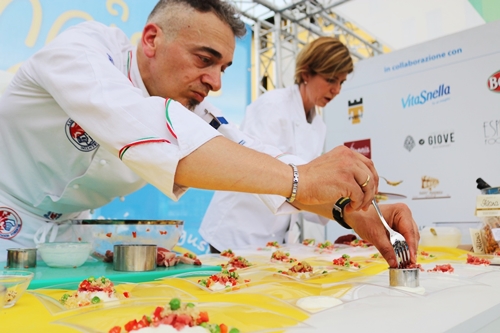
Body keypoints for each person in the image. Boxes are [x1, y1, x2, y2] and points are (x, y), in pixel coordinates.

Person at [0, 0, 418, 268]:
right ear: (151, 40)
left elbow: (254, 153)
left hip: (67, 241)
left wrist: (354, 211)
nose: (215, 82)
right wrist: (304, 180)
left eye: (223, 69)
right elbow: (142, 126)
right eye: (205, 60)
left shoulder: (194, 108)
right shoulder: (85, 51)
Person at [200, 36, 352, 250]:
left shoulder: (318, 125)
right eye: (331, 80)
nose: (337, 90)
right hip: (237, 231)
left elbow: (303, 188)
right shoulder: (273, 106)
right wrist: (319, 192)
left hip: (273, 239)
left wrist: (339, 201)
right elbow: (256, 172)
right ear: (306, 73)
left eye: (341, 82)